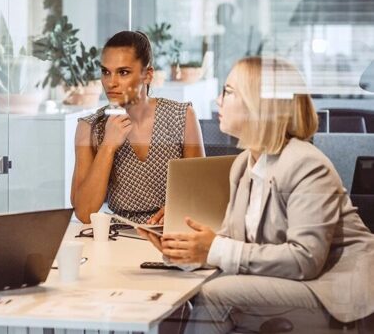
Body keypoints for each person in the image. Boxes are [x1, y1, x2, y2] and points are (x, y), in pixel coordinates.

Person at [141, 56, 374, 333]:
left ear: (258, 105)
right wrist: (186, 251)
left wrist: (214, 248)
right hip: (292, 283)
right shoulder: (244, 164)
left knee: (217, 295)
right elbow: (232, 242)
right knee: (189, 294)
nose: (218, 100)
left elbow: (305, 260)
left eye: (228, 92)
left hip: (335, 291)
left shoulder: (306, 163)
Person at [71, 30, 205, 225]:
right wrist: (108, 146)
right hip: (118, 238)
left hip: (171, 232)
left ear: (147, 75)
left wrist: (179, 208)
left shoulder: (182, 117)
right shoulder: (90, 127)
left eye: (123, 72)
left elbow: (200, 194)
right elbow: (84, 213)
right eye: (106, 72)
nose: (111, 82)